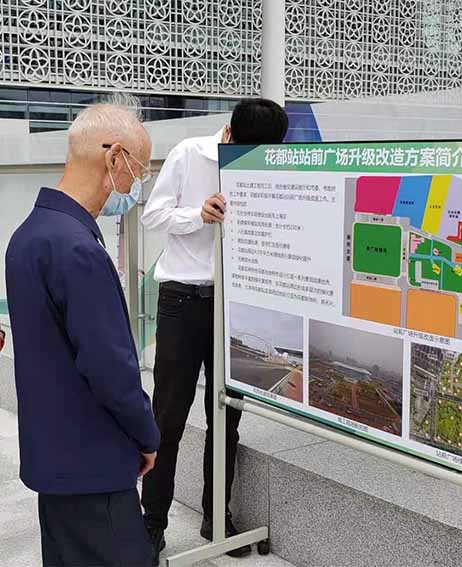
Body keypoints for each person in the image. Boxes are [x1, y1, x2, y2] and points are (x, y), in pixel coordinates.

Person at [5, 97, 160, 567]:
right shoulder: (78, 249)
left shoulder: (29, 235)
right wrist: (146, 435)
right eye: (140, 170)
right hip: (94, 464)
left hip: (54, 459)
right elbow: (109, 366)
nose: (136, 185)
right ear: (114, 158)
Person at [141, 98, 289, 563]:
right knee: (168, 417)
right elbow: (152, 215)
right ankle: (152, 523)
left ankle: (217, 518)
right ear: (228, 134)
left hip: (232, 306)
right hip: (182, 301)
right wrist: (197, 215)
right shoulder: (190, 154)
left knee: (226, 417)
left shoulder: (264, 166)